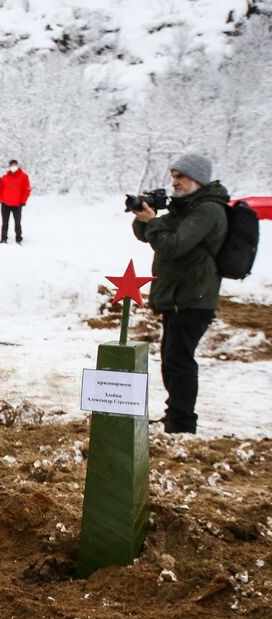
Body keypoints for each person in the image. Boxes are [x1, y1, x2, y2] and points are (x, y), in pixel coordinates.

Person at [132, 154, 229, 435]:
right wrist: (143, 217)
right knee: (172, 359)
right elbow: (150, 236)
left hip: (194, 298)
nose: (174, 182)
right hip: (178, 297)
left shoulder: (208, 211)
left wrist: (154, 221)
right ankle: (176, 416)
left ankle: (182, 422)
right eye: (173, 176)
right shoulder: (186, 208)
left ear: (197, 179)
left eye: (180, 177)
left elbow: (171, 245)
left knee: (179, 360)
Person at [0, 159, 30, 245]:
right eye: (11, 165)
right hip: (5, 203)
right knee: (4, 222)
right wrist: (0, 199)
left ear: (17, 166)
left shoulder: (24, 176)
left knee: (17, 222)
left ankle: (18, 238)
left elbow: (27, 189)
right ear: (9, 166)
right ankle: (3, 238)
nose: (13, 167)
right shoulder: (5, 177)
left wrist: (23, 201)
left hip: (17, 204)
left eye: (15, 165)